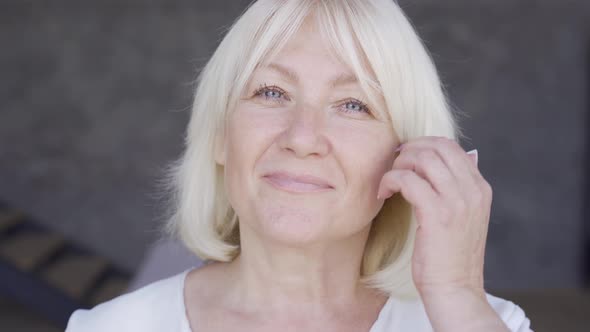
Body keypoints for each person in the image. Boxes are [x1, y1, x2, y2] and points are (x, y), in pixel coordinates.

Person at [66, 0, 533, 331]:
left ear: (404, 155)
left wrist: (457, 294)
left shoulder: (478, 322)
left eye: (353, 104)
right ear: (220, 137)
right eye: (272, 93)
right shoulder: (111, 327)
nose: (302, 138)